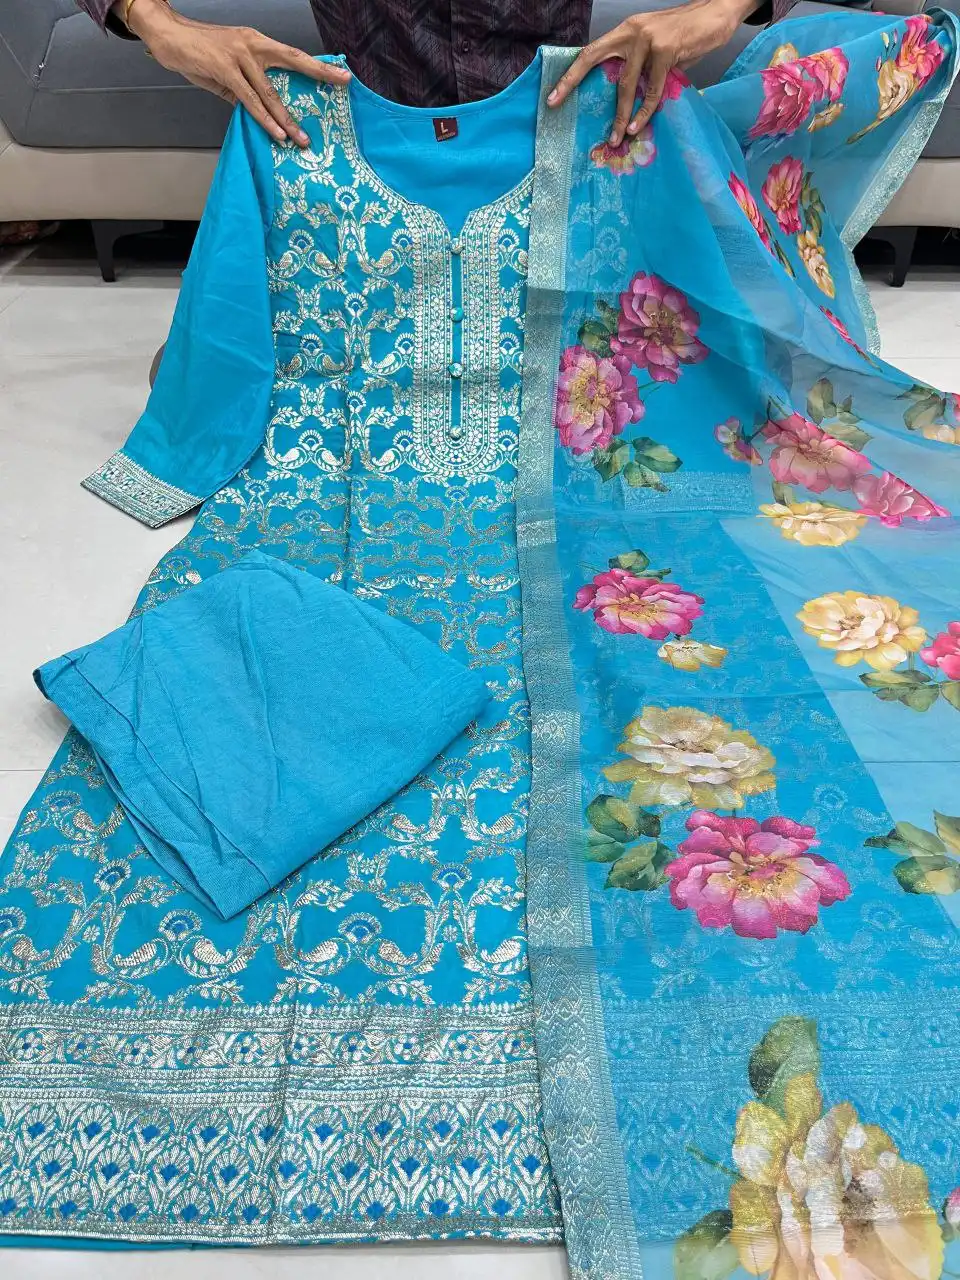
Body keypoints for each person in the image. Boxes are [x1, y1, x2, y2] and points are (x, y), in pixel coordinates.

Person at [78, 0, 774, 151]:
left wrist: (721, 10)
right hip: (371, 162)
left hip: (555, 155)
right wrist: (157, 23)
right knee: (225, 388)